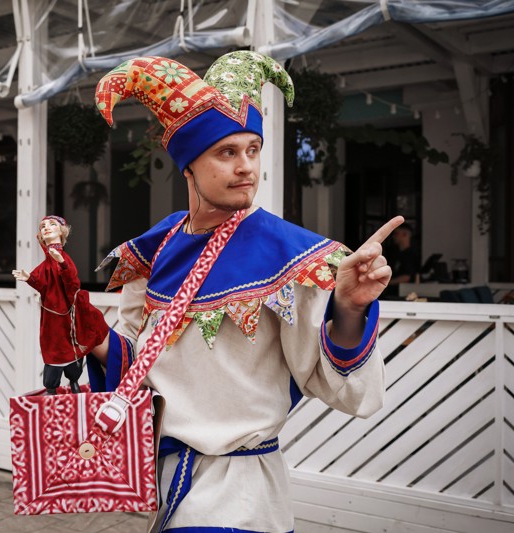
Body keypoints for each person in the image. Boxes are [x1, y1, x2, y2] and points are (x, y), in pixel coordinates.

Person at [88, 52, 402, 532]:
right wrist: (84, 326)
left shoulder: (294, 258)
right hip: (162, 484)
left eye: (252, 149)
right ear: (187, 166)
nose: (246, 167)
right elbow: (138, 364)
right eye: (226, 152)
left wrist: (350, 308)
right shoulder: (155, 251)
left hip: (243, 496)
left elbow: (355, 396)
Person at [12, 216, 110, 394]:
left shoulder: (63, 259)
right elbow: (43, 285)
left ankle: (74, 384)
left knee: (69, 351)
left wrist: (62, 263)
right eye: (43, 226)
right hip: (51, 318)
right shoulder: (45, 265)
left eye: (52, 225)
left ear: (61, 231)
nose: (46, 228)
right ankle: (52, 391)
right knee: (52, 351)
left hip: (66, 316)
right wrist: (30, 278)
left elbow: (73, 284)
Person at [386, 222, 420, 292]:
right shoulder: (394, 253)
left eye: (396, 234)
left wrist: (386, 283)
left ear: (405, 234)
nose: (393, 237)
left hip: (402, 293)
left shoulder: (410, 255)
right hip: (393, 292)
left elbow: (406, 277)